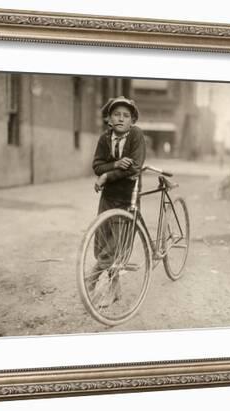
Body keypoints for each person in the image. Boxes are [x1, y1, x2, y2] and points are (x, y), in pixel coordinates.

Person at [89, 96, 146, 306]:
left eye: (126, 115)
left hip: (127, 198)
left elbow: (135, 167)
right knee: (103, 241)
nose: (121, 119)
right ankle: (115, 290)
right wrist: (115, 164)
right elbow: (96, 165)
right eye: (116, 114)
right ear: (109, 119)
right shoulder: (105, 139)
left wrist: (107, 176)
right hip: (107, 198)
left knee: (117, 247)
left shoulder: (136, 135)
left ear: (132, 120)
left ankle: (91, 279)